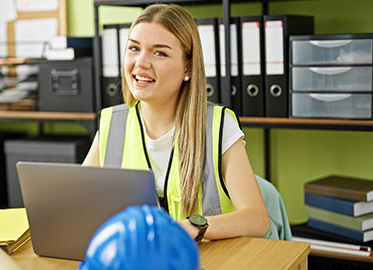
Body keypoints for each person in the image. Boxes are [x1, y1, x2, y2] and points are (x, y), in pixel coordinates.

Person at [83, 3, 270, 241]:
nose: (141, 62)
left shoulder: (217, 125)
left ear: (188, 68)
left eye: (159, 52)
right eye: (134, 48)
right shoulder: (112, 123)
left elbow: (258, 219)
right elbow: (80, 206)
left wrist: (193, 227)